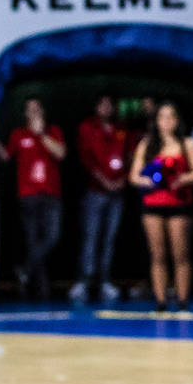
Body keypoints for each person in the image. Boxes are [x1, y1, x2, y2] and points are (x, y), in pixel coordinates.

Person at [129, 101, 193, 313]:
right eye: (162, 117)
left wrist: (183, 178)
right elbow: (134, 176)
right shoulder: (147, 144)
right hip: (153, 203)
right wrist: (147, 181)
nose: (166, 121)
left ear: (177, 121)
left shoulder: (186, 143)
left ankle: (182, 300)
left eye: (170, 117)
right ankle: (160, 301)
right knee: (158, 254)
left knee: (181, 253)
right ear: (157, 121)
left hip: (179, 202)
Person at [0, 99, 66, 300]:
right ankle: (40, 292)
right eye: (30, 109)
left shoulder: (53, 131)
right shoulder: (18, 134)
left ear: (43, 110)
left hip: (51, 195)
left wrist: (41, 133)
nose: (34, 112)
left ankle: (25, 269)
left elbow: (61, 153)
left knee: (52, 237)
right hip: (28, 197)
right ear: (25, 113)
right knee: (33, 242)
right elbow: (5, 157)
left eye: (37, 108)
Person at [71, 95, 128, 304]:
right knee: (91, 237)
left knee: (109, 238)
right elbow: (85, 158)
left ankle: (104, 281)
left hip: (117, 193)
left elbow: (129, 156)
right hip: (95, 191)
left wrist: (122, 179)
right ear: (96, 107)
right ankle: (84, 281)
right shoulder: (88, 127)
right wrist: (104, 180)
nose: (106, 107)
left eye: (109, 104)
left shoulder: (121, 129)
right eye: (102, 104)